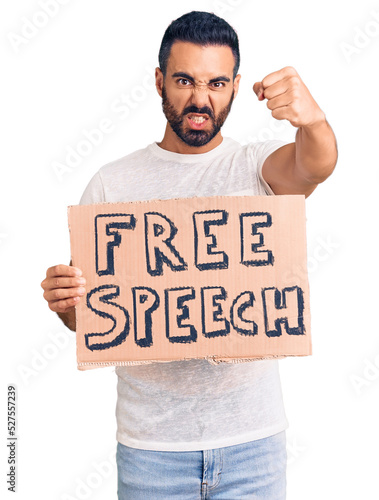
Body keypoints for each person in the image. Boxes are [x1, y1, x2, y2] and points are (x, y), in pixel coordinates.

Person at [41, 11, 337, 499]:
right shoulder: (112, 185)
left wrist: (315, 121)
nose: (201, 99)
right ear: (159, 81)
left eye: (217, 83)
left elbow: (314, 165)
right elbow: (96, 317)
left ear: (237, 86)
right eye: (185, 80)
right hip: (151, 451)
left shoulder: (255, 168)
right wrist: (69, 304)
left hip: (253, 447)